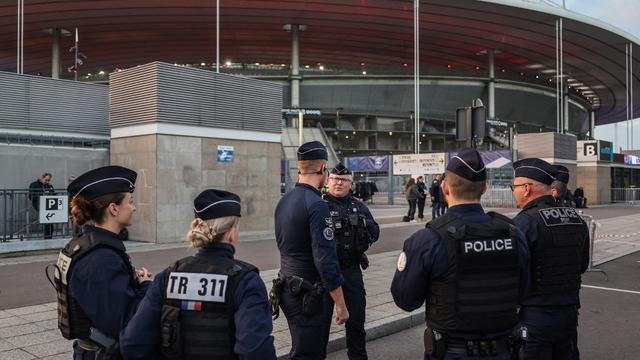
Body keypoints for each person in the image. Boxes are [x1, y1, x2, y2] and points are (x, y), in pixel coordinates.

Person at [390, 148, 529, 360]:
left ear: (444, 187)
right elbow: (525, 290)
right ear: (485, 188)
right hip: (505, 349)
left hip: (452, 351)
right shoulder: (513, 233)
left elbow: (406, 300)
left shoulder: (427, 239)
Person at [119, 189, 276, 360]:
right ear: (231, 234)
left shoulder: (167, 277)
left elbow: (132, 344)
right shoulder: (246, 281)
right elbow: (255, 352)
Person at [48, 166, 152, 359]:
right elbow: (126, 322)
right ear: (113, 208)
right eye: (130, 201)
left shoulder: (88, 245)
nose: (134, 207)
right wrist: (146, 287)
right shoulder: (101, 259)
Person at [272, 141, 349, 359]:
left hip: (287, 288)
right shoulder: (316, 205)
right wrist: (341, 304)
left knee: (302, 349)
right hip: (308, 295)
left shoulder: (284, 201)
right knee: (309, 354)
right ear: (323, 168)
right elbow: (325, 260)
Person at [511, 158, 590, 360]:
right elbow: (581, 265)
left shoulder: (523, 223)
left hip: (535, 318)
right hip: (569, 316)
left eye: (515, 186)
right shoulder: (576, 219)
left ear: (527, 188)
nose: (514, 191)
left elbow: (513, 274)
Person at [323, 163, 380, 360]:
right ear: (328, 180)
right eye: (335, 179)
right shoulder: (319, 205)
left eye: (344, 180)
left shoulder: (359, 206)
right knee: (320, 327)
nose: (339, 183)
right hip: (323, 274)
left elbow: (375, 231)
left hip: (351, 271)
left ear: (350, 183)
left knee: (356, 324)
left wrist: (364, 240)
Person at [29, 172, 55, 239]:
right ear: (42, 178)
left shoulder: (50, 186)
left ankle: (49, 236)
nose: (47, 182)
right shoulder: (34, 185)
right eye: (46, 180)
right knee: (47, 220)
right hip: (39, 204)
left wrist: (50, 194)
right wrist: (42, 195)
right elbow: (31, 196)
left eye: (49, 180)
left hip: (49, 205)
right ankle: (47, 236)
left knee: (50, 220)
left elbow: (54, 194)